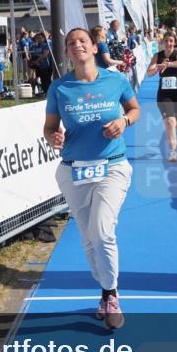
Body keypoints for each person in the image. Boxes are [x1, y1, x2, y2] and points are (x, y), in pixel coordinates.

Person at [43, 27, 140, 330]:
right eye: (71, 43)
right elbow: (49, 128)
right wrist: (53, 137)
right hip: (73, 169)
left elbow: (135, 109)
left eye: (82, 41)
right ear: (67, 52)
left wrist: (124, 122)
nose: (77, 45)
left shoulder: (115, 80)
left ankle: (111, 294)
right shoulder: (59, 88)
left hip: (112, 166)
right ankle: (104, 290)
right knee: (88, 238)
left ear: (94, 47)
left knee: (101, 231)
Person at [147, 32, 177, 162]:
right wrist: (157, 68)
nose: (169, 43)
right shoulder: (157, 56)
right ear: (162, 42)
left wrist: (168, 64)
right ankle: (172, 152)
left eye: (171, 41)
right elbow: (149, 73)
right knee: (170, 122)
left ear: (174, 42)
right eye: (166, 41)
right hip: (164, 94)